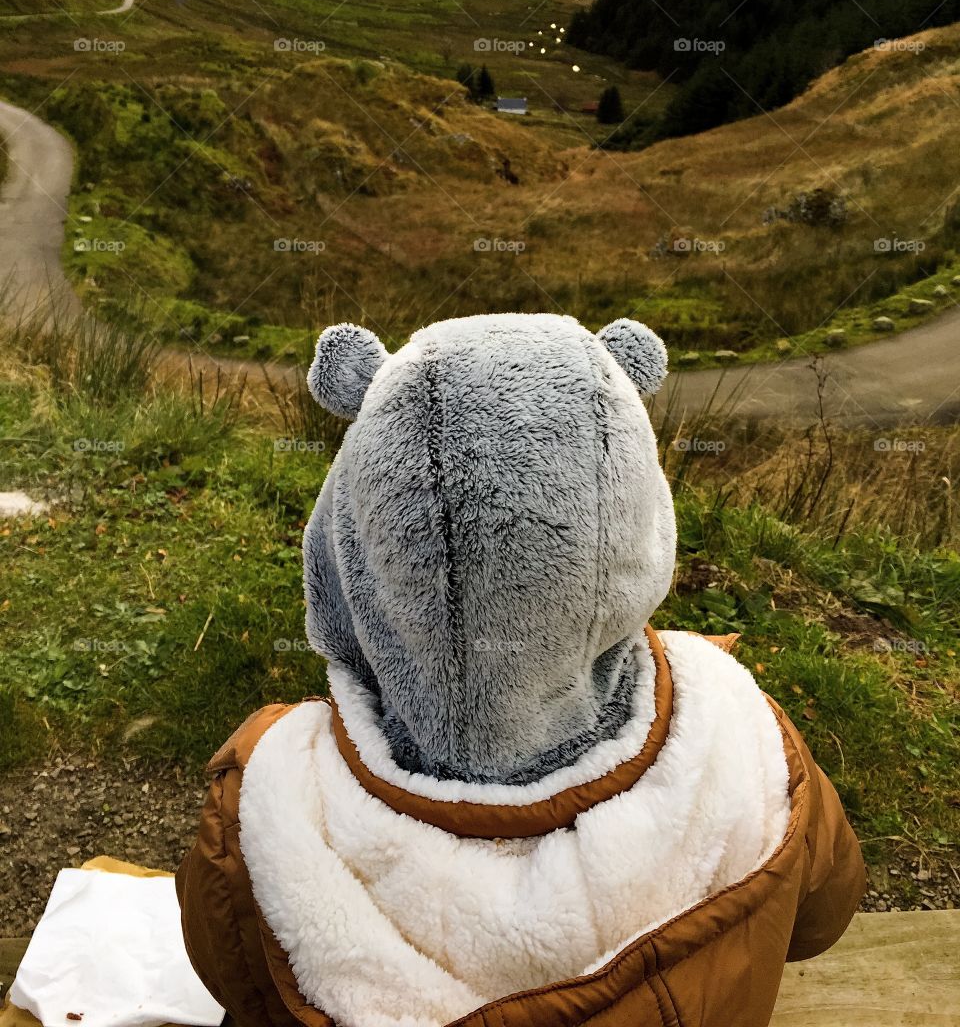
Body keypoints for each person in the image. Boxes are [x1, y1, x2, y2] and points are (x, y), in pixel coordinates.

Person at [177, 313, 866, 1027]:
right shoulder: (743, 746)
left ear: (353, 532)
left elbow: (222, 967)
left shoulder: (271, 810)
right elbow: (823, 918)